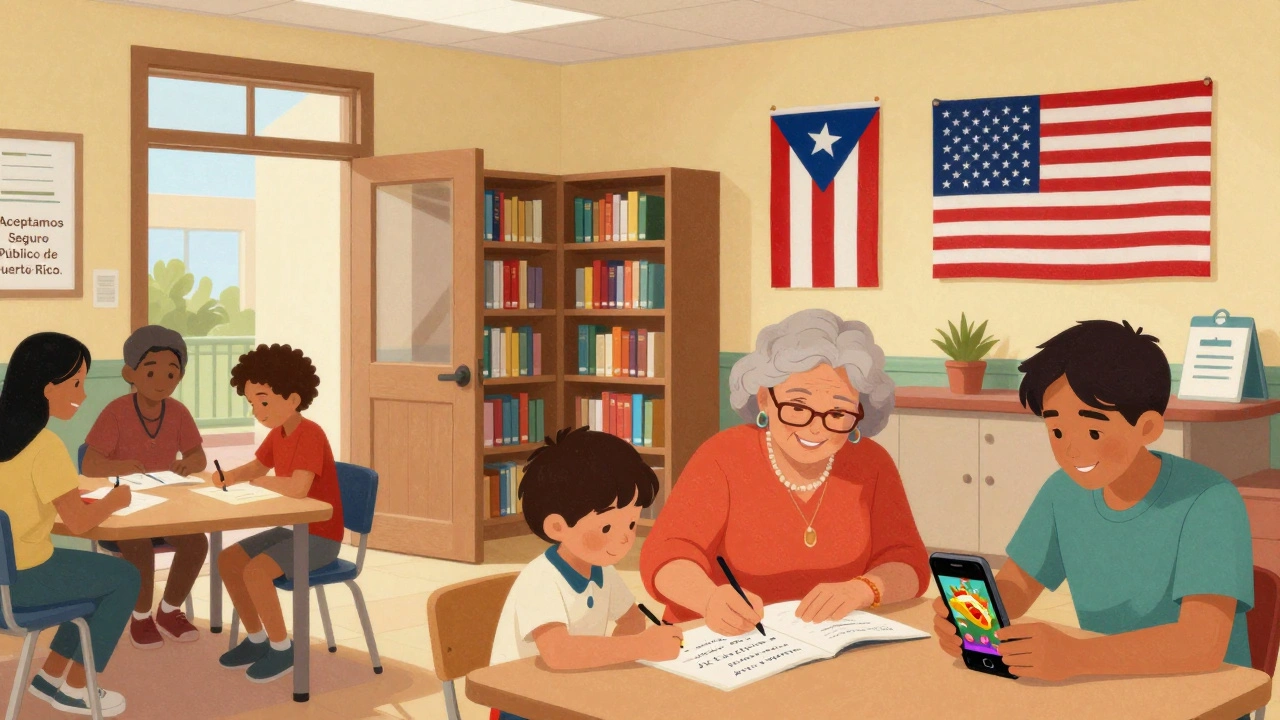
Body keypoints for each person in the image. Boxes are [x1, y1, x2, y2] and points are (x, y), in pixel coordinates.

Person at [932, 320, 1254, 682]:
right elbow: (1018, 588)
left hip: (1203, 696)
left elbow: (1201, 645)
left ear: (1147, 427)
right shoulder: (1062, 492)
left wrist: (1075, 656)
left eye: (1094, 430)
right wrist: (971, 616)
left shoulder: (1208, 500)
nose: (1070, 449)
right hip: (1106, 687)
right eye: (1056, 430)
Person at [640, 308, 929, 634]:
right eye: (797, 407)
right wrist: (709, 599)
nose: (816, 428)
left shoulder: (872, 463)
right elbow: (666, 554)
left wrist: (862, 589)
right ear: (764, 399)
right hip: (718, 640)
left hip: (828, 642)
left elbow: (909, 562)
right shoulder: (723, 456)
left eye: (837, 412)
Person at [488, 427, 682, 720]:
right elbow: (558, 652)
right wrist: (637, 647)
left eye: (630, 525)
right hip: (522, 705)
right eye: (606, 528)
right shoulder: (540, 579)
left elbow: (632, 617)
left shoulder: (602, 568)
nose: (623, 539)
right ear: (557, 527)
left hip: (571, 692)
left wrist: (613, 659)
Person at [0, 332, 140, 717]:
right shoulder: (44, 446)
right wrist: (113, 501)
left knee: (94, 576)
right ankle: (77, 689)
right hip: (23, 581)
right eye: (77, 382)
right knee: (124, 577)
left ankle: (50, 678)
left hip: (4, 578)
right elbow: (78, 524)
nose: (84, 393)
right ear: (47, 388)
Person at [205, 343, 344, 683]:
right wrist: (232, 476)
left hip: (320, 536)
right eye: (252, 403)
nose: (257, 409)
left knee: (254, 572)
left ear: (293, 398)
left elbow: (297, 487)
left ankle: (284, 648)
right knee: (227, 561)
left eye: (263, 401)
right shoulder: (278, 433)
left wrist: (259, 481)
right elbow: (257, 465)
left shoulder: (310, 434)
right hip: (294, 530)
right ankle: (256, 640)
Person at [81, 325, 208, 649]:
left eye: (171, 374)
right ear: (130, 373)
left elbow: (199, 456)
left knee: (197, 542)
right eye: (151, 373)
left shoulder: (178, 413)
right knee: (138, 548)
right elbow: (89, 466)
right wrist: (118, 466)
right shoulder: (116, 412)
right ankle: (140, 616)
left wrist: (189, 464)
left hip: (164, 508)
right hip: (123, 510)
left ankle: (168, 611)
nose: (162, 382)